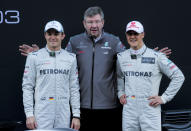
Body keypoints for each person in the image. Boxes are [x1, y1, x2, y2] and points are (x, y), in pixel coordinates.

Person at [19, 7, 171, 131]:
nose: (94, 25)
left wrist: (152, 57)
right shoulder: (74, 41)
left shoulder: (114, 41)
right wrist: (41, 55)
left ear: (103, 22)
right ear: (84, 23)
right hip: (82, 107)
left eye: (97, 21)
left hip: (108, 107)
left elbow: (128, 57)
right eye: (90, 22)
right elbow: (60, 58)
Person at [117, 21, 185, 131]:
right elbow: (119, 76)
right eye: (130, 34)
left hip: (150, 109)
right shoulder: (121, 57)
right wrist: (120, 92)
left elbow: (178, 76)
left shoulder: (157, 56)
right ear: (126, 35)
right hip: (129, 110)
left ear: (142, 34)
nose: (133, 37)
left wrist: (164, 98)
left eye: (136, 33)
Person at [22, 20, 80, 130]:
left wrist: (76, 115)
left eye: (56, 34)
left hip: (63, 113)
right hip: (42, 113)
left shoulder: (71, 58)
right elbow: (27, 87)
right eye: (49, 34)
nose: (53, 37)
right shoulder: (34, 57)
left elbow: (74, 88)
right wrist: (29, 114)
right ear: (45, 35)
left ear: (63, 36)